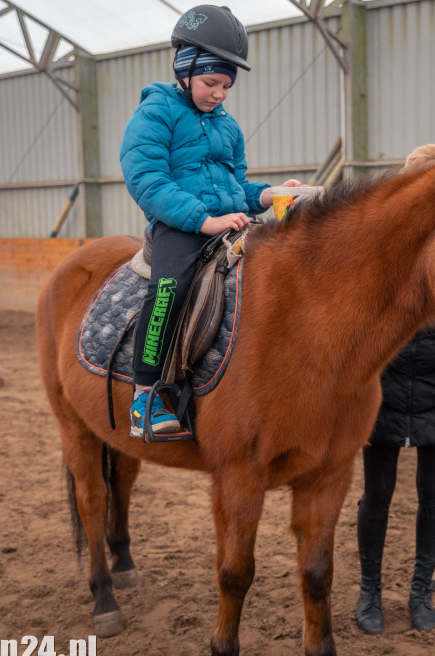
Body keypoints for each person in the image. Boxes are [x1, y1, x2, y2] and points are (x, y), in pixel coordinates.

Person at [120, 4, 303, 438]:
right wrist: (203, 221)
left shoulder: (229, 128)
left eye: (226, 85)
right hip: (178, 226)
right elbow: (146, 179)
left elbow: (236, 188)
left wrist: (268, 194)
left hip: (227, 222)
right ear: (184, 72)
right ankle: (144, 396)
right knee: (170, 288)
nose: (219, 92)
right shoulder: (155, 114)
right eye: (209, 82)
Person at [355, 324, 435, 634]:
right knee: (377, 492)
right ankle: (370, 592)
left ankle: (421, 595)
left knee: (433, 492)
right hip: (383, 382)